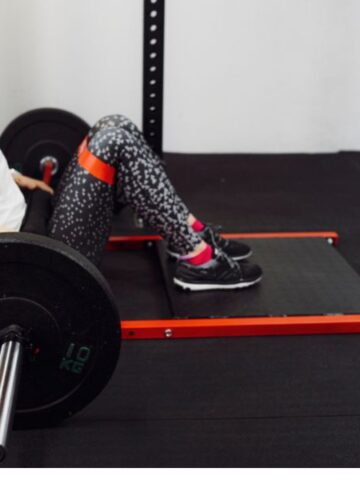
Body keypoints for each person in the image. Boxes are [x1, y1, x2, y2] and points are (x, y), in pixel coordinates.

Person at [0, 114, 262, 291]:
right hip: (37, 255)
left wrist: (14, 177)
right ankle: (200, 261)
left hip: (37, 219)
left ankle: (190, 230)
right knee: (114, 141)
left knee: (115, 124)